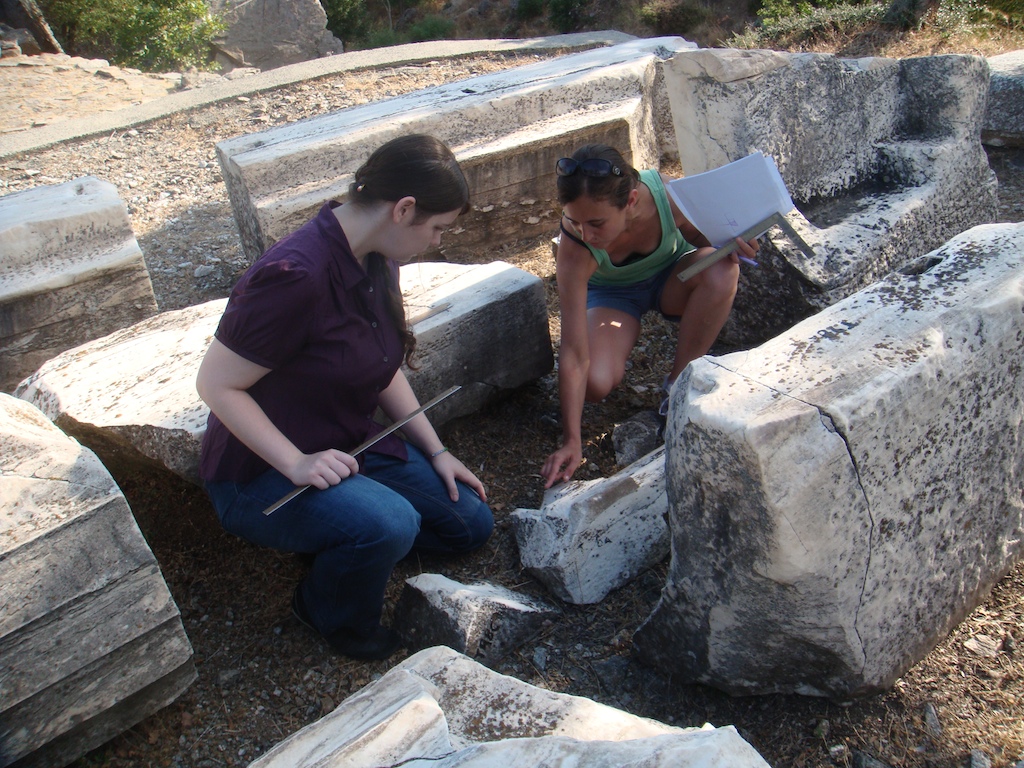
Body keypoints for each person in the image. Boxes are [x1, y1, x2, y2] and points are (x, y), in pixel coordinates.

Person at [196, 134, 493, 660]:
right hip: (263, 473)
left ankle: (345, 537)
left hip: (346, 447)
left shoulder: (375, 255)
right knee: (391, 524)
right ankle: (327, 610)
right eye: (438, 228)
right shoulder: (294, 276)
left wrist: (437, 451)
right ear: (404, 209)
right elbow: (216, 384)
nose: (437, 242)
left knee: (468, 521)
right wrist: (296, 462)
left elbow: (380, 369)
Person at [541, 144, 760, 488]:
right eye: (574, 220)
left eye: (596, 223)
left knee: (721, 269)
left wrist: (738, 243)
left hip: (673, 278)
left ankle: (678, 387)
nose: (587, 235)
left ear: (630, 201)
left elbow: (712, 241)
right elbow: (572, 351)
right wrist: (572, 438)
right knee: (595, 385)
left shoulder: (669, 198)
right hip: (614, 296)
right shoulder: (576, 245)